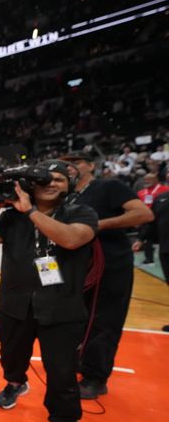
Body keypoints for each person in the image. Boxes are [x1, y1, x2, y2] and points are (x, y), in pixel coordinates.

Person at [0, 160, 98, 422]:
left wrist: (30, 212)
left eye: (59, 178)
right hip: (16, 303)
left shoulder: (80, 212)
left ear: (69, 184)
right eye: (45, 178)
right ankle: (16, 382)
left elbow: (71, 239)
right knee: (11, 356)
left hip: (62, 307)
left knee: (61, 375)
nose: (52, 182)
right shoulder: (10, 217)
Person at [60, 151, 153, 399]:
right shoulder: (65, 196)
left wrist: (96, 225)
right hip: (78, 266)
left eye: (76, 162)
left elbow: (143, 214)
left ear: (91, 165)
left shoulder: (107, 186)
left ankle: (96, 377)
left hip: (110, 264)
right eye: (65, 164)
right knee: (78, 318)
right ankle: (81, 363)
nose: (69, 167)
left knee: (104, 320)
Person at [135, 173, 169, 264]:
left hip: (162, 221)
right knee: (148, 238)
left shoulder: (165, 190)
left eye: (149, 179)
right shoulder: (141, 193)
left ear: (156, 180)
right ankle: (149, 259)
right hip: (148, 220)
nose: (147, 181)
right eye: (145, 179)